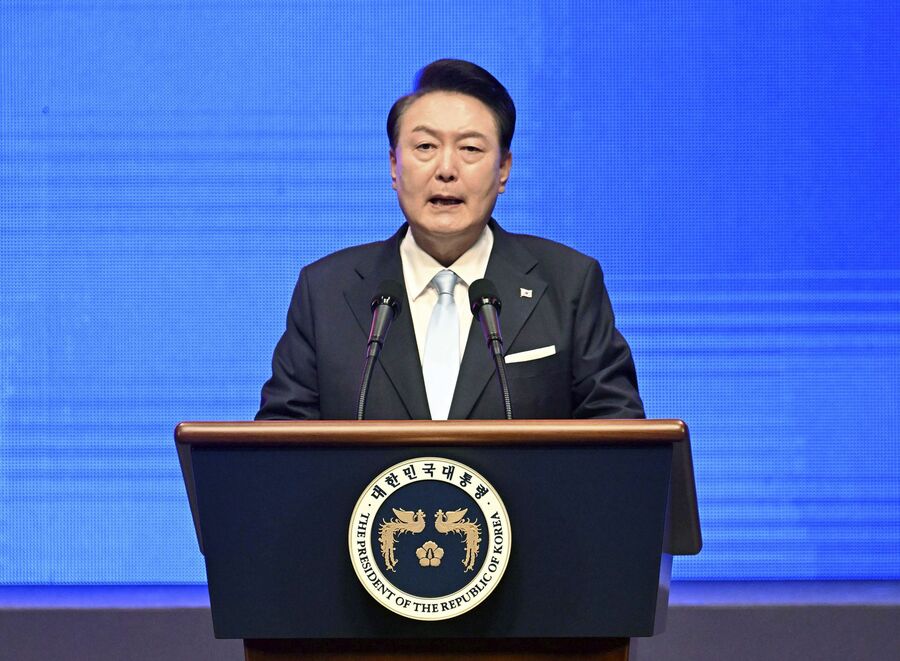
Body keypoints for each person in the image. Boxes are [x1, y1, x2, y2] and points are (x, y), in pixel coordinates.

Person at [256, 59, 644, 421]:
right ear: (394, 166)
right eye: (425, 147)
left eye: (470, 149)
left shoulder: (569, 283)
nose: (446, 169)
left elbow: (618, 432)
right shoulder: (325, 291)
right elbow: (280, 442)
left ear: (503, 169)